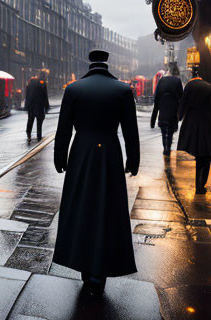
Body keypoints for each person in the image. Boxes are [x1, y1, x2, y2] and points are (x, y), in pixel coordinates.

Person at [53, 49, 139, 295]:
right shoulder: (123, 90)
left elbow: (64, 130)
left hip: (81, 153)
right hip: (110, 154)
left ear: (90, 63)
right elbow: (130, 131)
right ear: (106, 63)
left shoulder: (74, 89)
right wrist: (133, 160)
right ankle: (101, 271)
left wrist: (60, 158)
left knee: (81, 207)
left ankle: (82, 261)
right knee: (108, 210)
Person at [176, 73, 211, 194]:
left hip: (192, 125)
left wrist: (179, 118)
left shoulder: (189, 87)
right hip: (207, 125)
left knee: (198, 155)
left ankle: (198, 185)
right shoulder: (210, 88)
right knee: (206, 156)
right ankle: (201, 184)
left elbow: (182, 104)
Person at [150, 62, 183, 156]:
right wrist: (180, 115)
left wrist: (152, 121)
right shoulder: (177, 81)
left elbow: (156, 100)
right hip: (173, 112)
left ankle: (165, 148)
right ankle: (168, 147)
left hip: (163, 112)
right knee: (170, 132)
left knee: (164, 131)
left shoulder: (161, 80)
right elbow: (182, 98)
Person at [24, 73, 49, 141]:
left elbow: (27, 96)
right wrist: (47, 107)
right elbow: (45, 96)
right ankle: (39, 135)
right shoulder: (43, 84)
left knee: (30, 120)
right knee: (39, 121)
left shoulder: (29, 84)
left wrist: (26, 106)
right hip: (40, 106)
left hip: (31, 106)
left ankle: (28, 133)